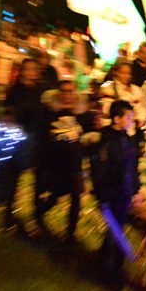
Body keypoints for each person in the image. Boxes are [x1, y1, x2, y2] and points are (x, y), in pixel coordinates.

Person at [90, 99, 142, 291]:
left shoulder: (127, 138)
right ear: (116, 118)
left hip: (125, 192)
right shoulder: (105, 140)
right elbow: (100, 169)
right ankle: (111, 275)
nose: (131, 120)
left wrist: (136, 190)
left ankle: (104, 265)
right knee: (116, 233)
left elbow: (133, 166)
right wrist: (102, 196)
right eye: (128, 117)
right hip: (111, 193)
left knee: (116, 231)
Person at [36, 80, 88, 242]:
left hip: (74, 165)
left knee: (75, 197)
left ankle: (71, 232)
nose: (68, 95)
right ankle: (39, 215)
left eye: (71, 91)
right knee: (55, 196)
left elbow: (86, 136)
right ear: (59, 94)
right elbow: (43, 140)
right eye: (64, 91)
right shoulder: (50, 115)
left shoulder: (80, 116)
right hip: (56, 165)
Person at [3, 57, 47, 231]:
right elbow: (9, 113)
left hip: (38, 138)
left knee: (40, 177)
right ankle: (8, 212)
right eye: (27, 69)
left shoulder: (41, 89)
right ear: (22, 71)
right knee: (15, 176)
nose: (31, 72)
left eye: (34, 69)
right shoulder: (15, 91)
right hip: (20, 137)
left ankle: (38, 213)